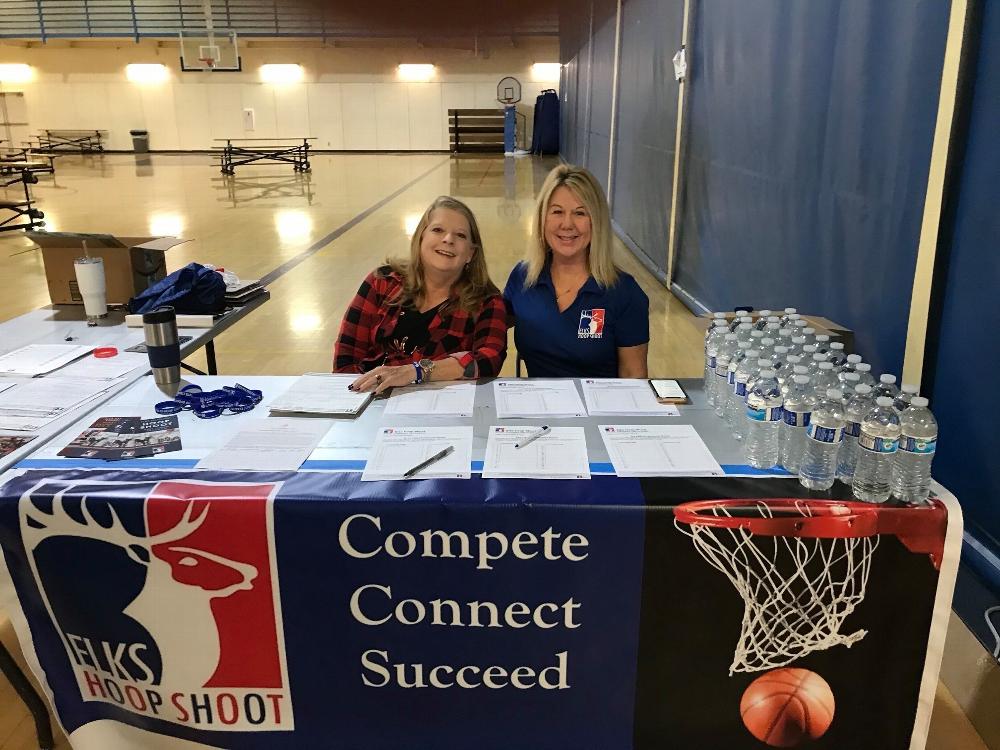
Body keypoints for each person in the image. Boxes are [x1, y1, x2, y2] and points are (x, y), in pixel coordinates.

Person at [334, 195, 508, 393]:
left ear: (471, 254)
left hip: (439, 410)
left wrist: (416, 372)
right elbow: (346, 357)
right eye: (438, 230)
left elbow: (488, 359)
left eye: (460, 235)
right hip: (370, 400)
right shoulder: (381, 282)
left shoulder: (486, 302)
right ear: (420, 238)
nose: (448, 239)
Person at [504, 164, 649, 378]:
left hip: (600, 410)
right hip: (538, 407)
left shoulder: (624, 293)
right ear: (542, 219)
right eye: (557, 212)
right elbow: (486, 328)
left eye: (580, 213)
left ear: (596, 221)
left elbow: (633, 376)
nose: (567, 224)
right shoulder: (523, 278)